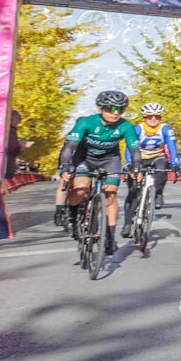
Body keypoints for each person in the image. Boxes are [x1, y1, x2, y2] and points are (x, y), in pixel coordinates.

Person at [58, 91, 139, 255]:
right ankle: (74, 216)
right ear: (101, 109)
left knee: (110, 195)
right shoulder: (86, 122)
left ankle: (109, 236)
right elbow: (70, 146)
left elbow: (134, 148)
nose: (116, 113)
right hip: (84, 157)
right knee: (80, 188)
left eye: (120, 109)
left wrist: (136, 165)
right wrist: (65, 165)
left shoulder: (126, 126)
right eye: (111, 108)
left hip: (110, 159)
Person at [123, 102, 181, 234]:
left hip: (157, 157)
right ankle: (127, 224)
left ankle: (158, 192)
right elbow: (129, 147)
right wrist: (129, 163)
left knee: (161, 168)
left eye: (157, 117)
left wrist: (175, 162)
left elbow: (172, 146)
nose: (153, 119)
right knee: (133, 191)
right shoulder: (137, 129)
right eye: (150, 117)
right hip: (139, 158)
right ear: (144, 117)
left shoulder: (165, 129)